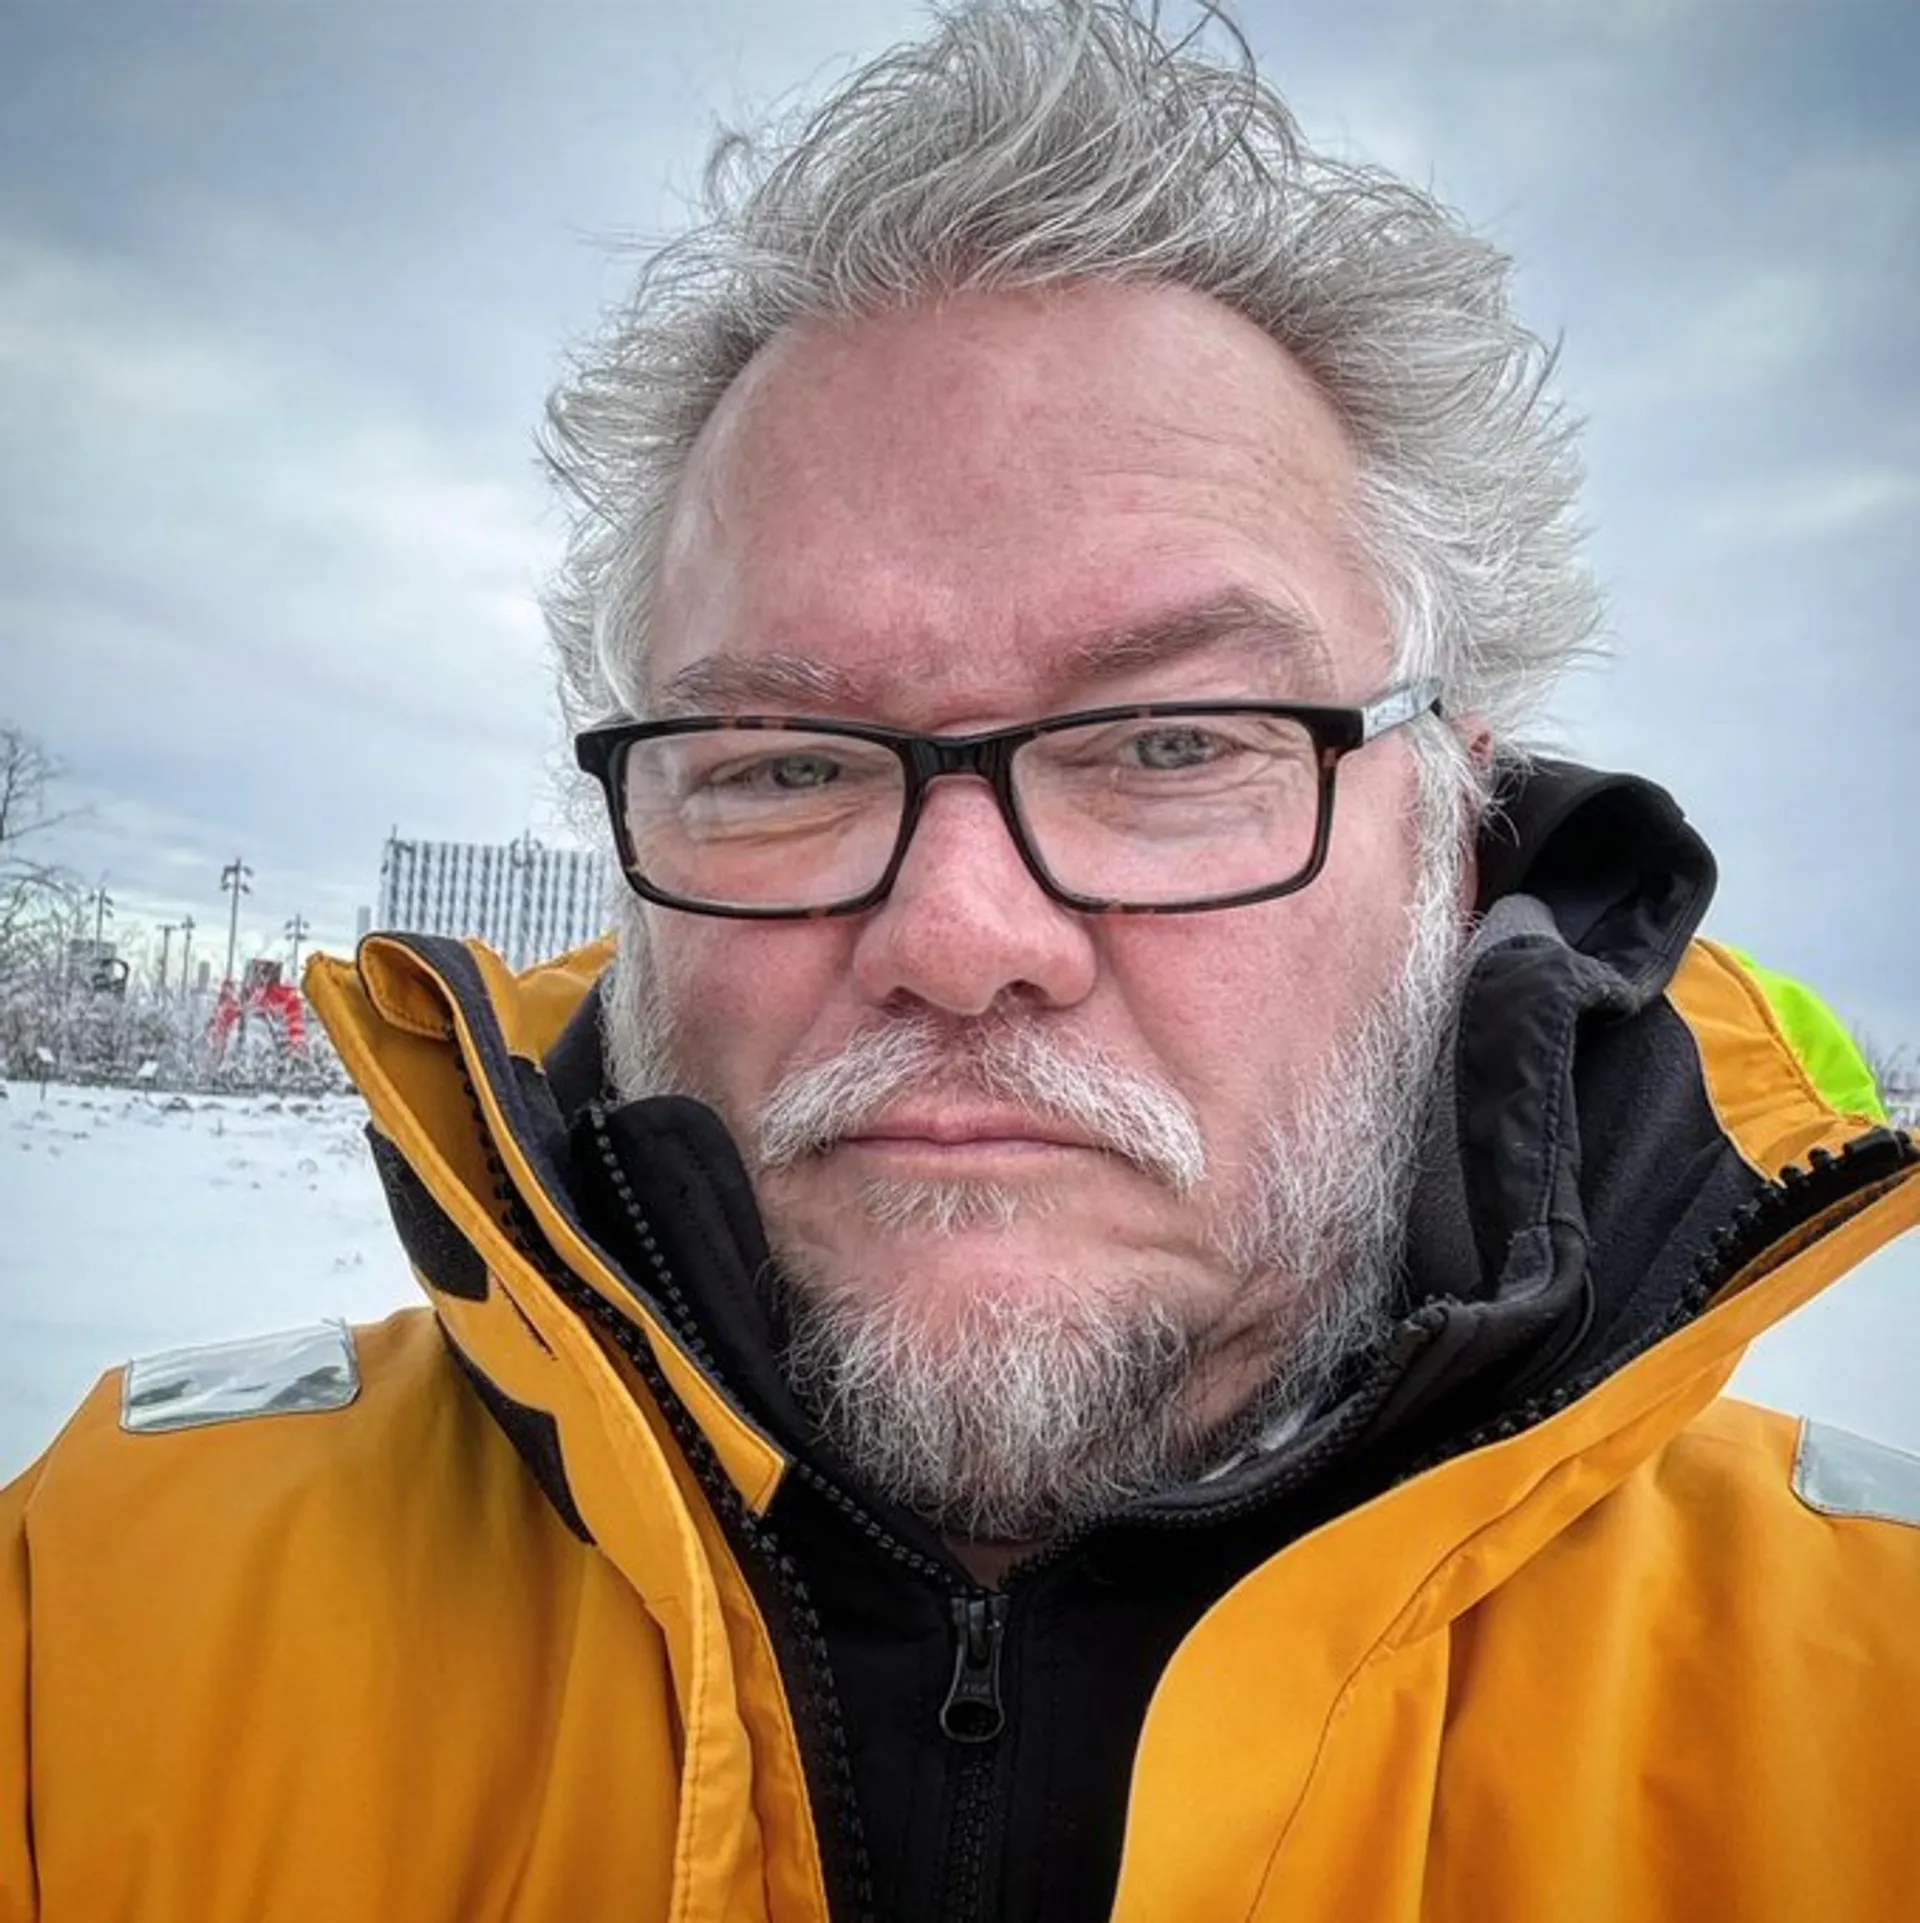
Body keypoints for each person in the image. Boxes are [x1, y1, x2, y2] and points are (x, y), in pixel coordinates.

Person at [5, 5, 1917, 1918]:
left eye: (1172, 744)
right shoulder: (101, 1632)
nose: (958, 937)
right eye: (784, 763)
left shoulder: (1868, 1695)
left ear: (1451, 832)